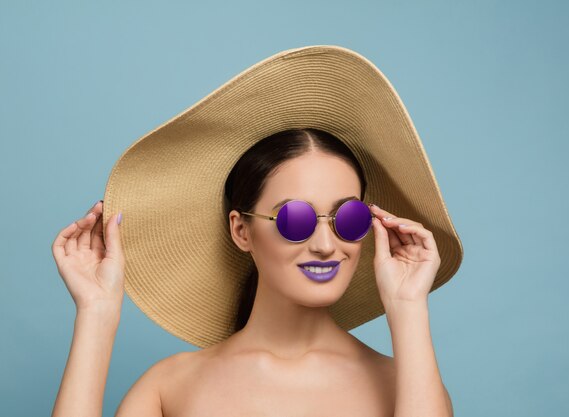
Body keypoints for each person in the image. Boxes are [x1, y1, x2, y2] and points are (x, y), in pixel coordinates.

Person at [50, 46, 459, 417]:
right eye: (295, 220)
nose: (324, 245)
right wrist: (96, 313)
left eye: (347, 219)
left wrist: (407, 308)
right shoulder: (169, 388)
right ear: (241, 231)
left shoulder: (406, 387)